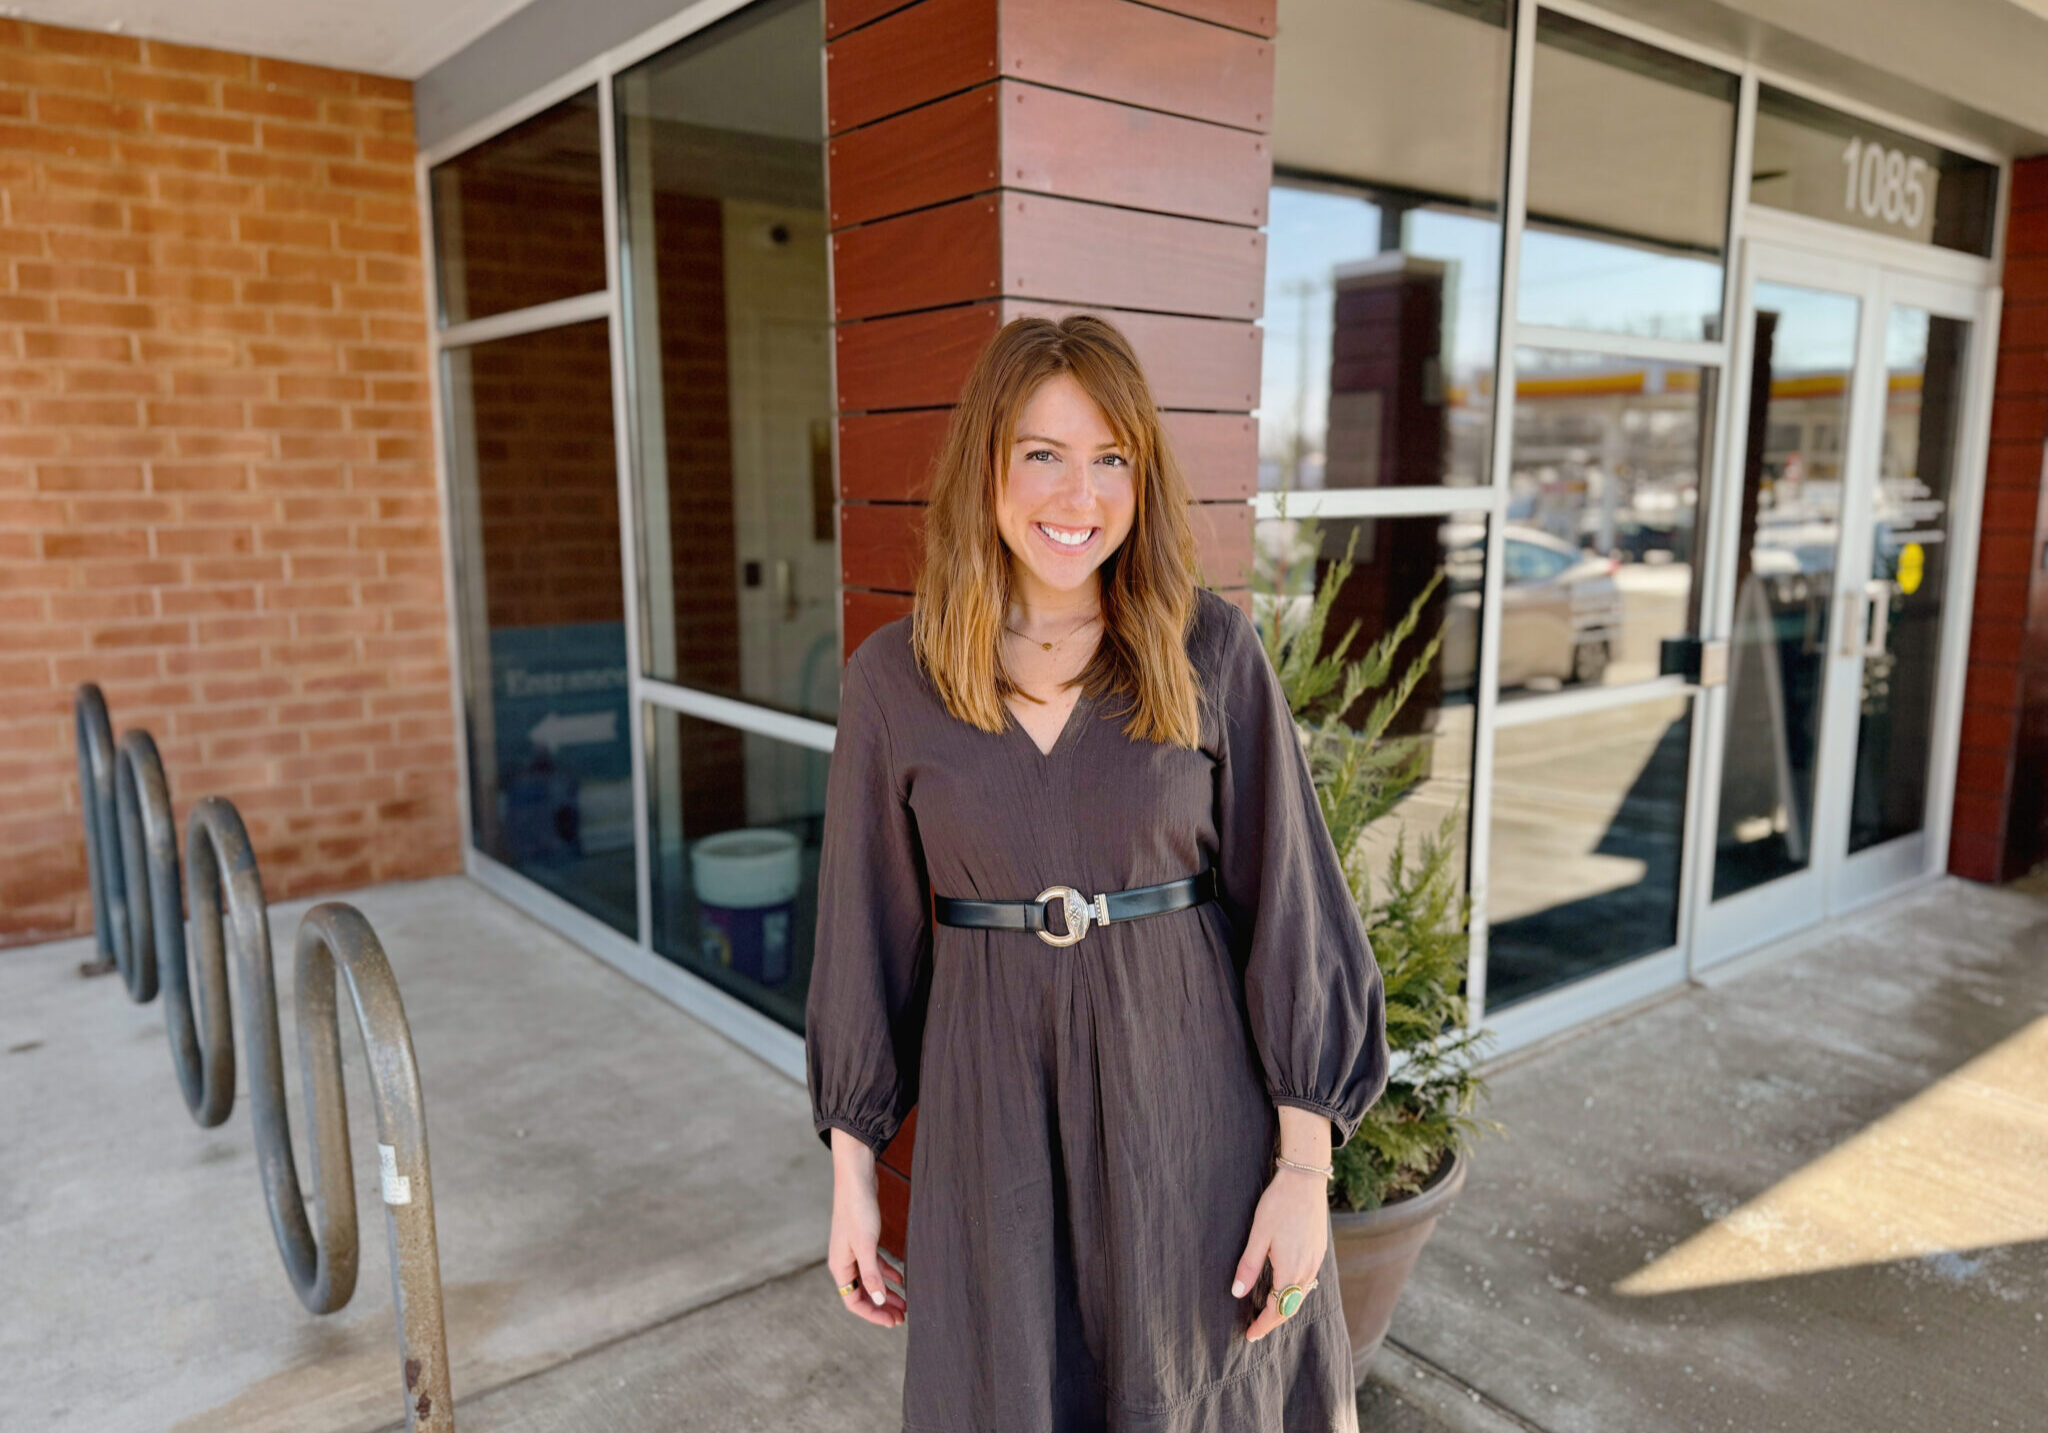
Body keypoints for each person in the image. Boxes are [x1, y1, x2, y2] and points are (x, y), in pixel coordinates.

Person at [805, 313, 1390, 1431]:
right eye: (1043, 454)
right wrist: (851, 1179)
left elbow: (1292, 910)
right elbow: (862, 941)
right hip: (992, 1129)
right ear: (987, 465)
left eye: (1110, 458)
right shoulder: (894, 678)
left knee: (1196, 1385)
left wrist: (1304, 1171)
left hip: (1189, 1115)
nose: (1078, 497)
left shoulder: (1209, 650)